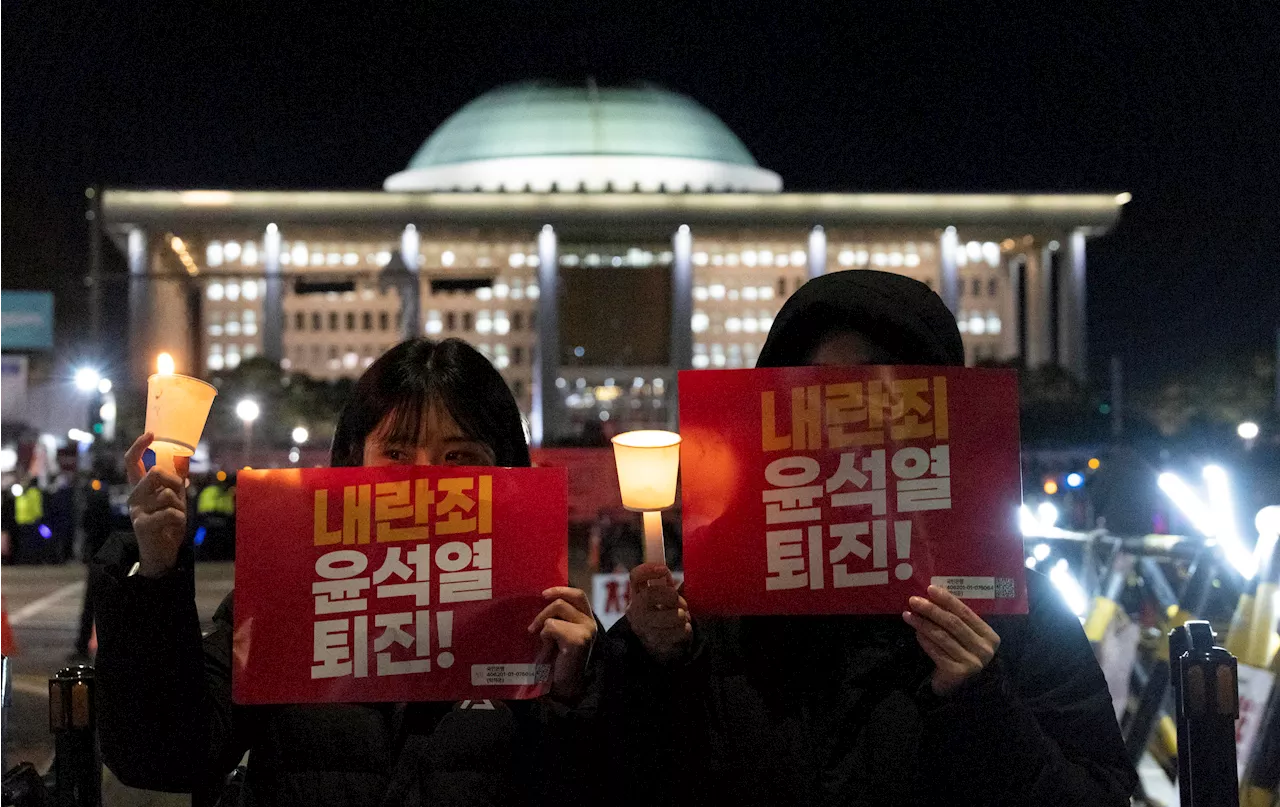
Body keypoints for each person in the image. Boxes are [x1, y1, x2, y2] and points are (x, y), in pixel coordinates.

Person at [602, 270, 1138, 806]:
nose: (842, 422)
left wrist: (982, 704)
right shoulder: (714, 612)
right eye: (813, 390)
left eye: (877, 393)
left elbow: (1099, 794)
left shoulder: (1015, 612)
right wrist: (647, 662)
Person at [92, 338, 600, 806]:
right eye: (397, 453)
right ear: (354, 460)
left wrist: (569, 696)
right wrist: (156, 576)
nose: (423, 477)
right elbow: (162, 755)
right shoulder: (285, 597)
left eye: (459, 456)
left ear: (504, 470)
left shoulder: (545, 620)